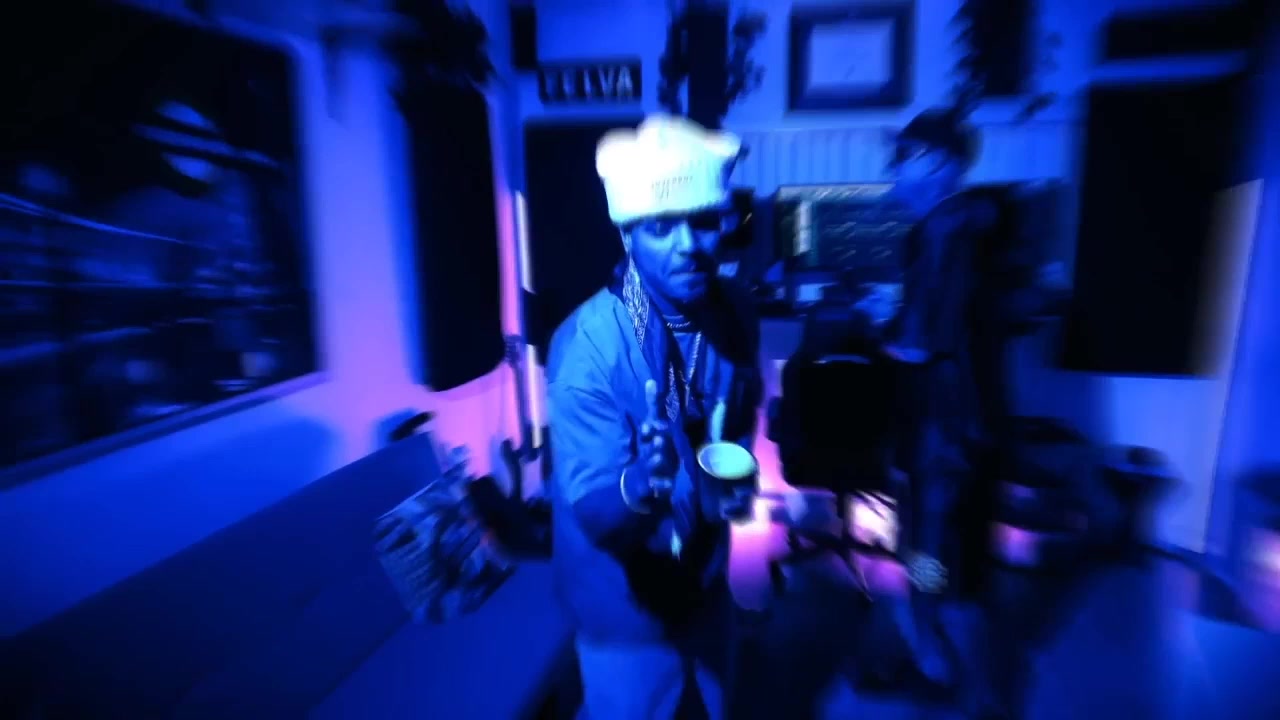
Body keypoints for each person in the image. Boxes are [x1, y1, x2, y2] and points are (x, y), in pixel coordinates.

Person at [545, 115, 763, 720]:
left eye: (704, 220)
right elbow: (595, 514)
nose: (688, 244)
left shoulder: (736, 309)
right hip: (624, 608)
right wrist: (642, 484)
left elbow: (742, 407)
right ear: (627, 235)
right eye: (662, 226)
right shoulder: (586, 349)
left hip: (707, 580)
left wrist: (733, 471)